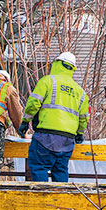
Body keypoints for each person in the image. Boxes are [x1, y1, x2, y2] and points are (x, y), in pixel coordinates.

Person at [17, 51, 89, 182]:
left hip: (46, 136)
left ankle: (43, 200)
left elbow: (33, 104)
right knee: (60, 170)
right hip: (68, 139)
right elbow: (83, 117)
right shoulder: (80, 92)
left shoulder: (48, 81)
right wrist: (79, 133)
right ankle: (59, 200)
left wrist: (25, 121)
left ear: (57, 64)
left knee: (39, 167)